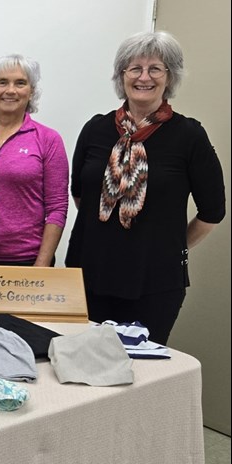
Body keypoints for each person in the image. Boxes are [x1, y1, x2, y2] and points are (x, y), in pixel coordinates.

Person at [65, 31, 225, 345]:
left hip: (154, 282)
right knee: (82, 365)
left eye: (155, 69)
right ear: (121, 75)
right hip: (87, 275)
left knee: (140, 375)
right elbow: (80, 193)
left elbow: (213, 212)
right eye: (134, 68)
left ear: (170, 77)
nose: (144, 77)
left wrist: (169, 247)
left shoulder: (189, 135)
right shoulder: (95, 128)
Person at [0, 55, 69, 266]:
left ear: (32, 91)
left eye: (20, 83)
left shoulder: (48, 139)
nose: (11, 90)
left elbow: (57, 207)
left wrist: (42, 264)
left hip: (29, 260)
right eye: (2, 82)